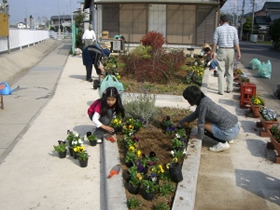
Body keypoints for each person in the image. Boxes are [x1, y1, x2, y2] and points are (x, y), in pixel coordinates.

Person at [173, 85, 240, 152]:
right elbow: (193, 115)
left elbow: (201, 123)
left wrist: (199, 137)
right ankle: (229, 139)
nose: (187, 101)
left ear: (192, 98)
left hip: (229, 132)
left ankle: (223, 143)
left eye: (188, 99)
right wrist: (179, 123)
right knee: (208, 120)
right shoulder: (204, 100)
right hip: (235, 127)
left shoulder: (203, 105)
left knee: (203, 124)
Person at [211, 15, 241, 95]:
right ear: (228, 21)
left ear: (221, 21)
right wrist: (238, 52)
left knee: (221, 71)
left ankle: (221, 91)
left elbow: (215, 41)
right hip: (231, 50)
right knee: (230, 70)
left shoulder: (218, 29)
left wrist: (212, 52)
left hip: (221, 49)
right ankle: (229, 89)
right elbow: (236, 41)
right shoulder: (233, 29)